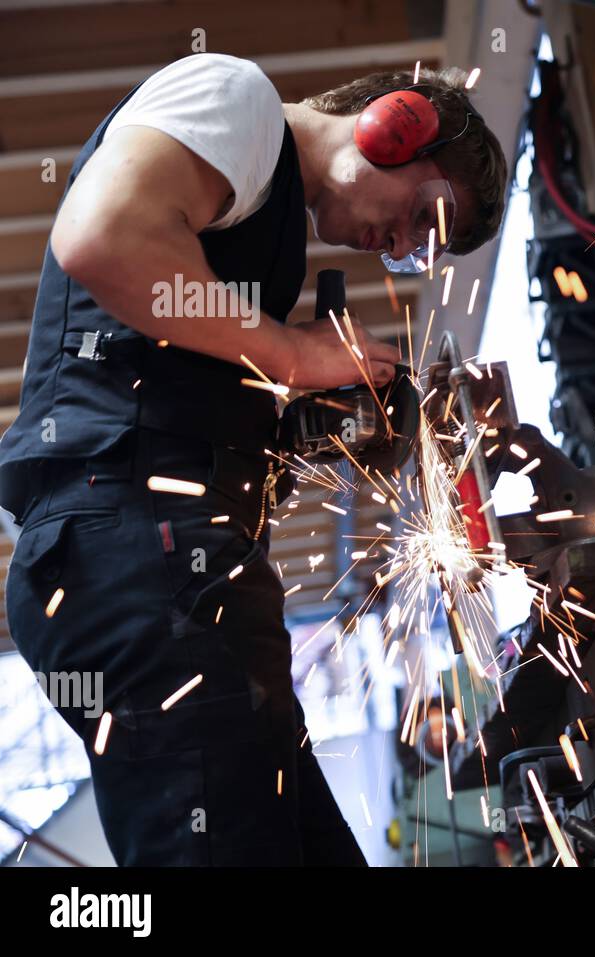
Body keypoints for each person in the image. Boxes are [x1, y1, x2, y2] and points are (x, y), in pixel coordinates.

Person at [0, 53, 508, 865]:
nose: (400, 244)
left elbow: (178, 370)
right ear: (396, 124)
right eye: (423, 215)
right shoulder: (236, 100)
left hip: (181, 574)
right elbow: (102, 236)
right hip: (130, 556)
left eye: (419, 250)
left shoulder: (259, 239)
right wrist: (291, 356)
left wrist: (298, 421)